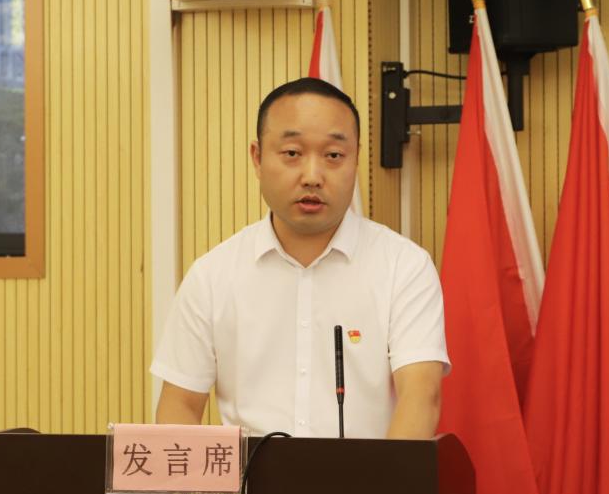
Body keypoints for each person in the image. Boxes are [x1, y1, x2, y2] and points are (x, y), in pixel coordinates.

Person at [151, 78, 449, 438]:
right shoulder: (213, 275)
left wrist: (385, 475)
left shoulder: (404, 267)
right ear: (258, 158)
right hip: (250, 476)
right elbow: (179, 406)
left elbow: (421, 395)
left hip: (369, 475)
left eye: (333, 155)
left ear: (356, 158)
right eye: (292, 153)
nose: (312, 176)